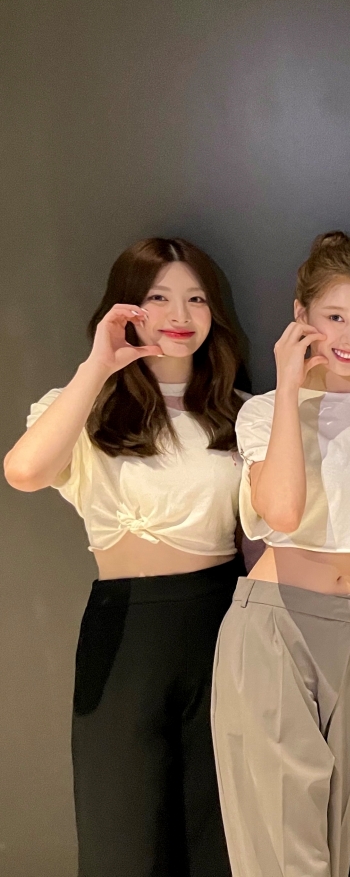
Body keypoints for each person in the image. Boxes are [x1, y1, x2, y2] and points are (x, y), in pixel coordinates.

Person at [5, 238, 246, 876]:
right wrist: (99, 364)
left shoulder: (241, 416)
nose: (180, 314)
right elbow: (25, 472)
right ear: (126, 307)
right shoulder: (91, 408)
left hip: (223, 625)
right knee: (122, 833)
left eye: (196, 298)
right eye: (158, 297)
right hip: (125, 628)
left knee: (217, 833)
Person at [210, 231, 350, 877]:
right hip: (275, 626)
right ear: (301, 316)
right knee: (284, 850)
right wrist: (289, 387)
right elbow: (281, 513)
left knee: (334, 841)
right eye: (335, 317)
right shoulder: (262, 413)